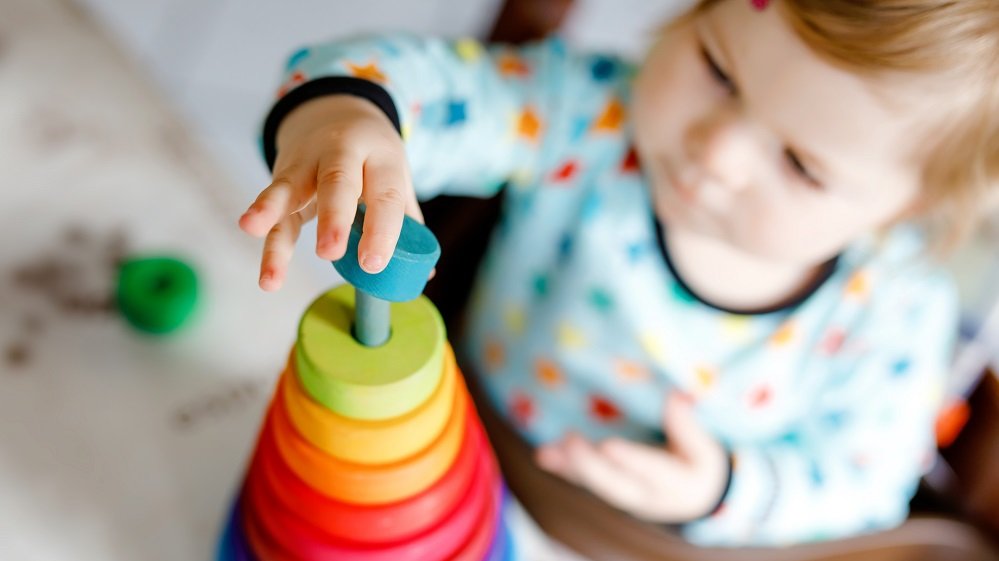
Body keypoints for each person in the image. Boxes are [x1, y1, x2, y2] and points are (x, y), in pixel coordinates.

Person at [237, 0, 999, 547]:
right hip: (448, 453)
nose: (716, 150)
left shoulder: (890, 308)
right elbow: (403, 80)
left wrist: (722, 488)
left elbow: (863, 485)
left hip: (640, 539)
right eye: (718, 69)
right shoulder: (591, 118)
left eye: (800, 164)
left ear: (910, 204)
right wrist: (348, 117)